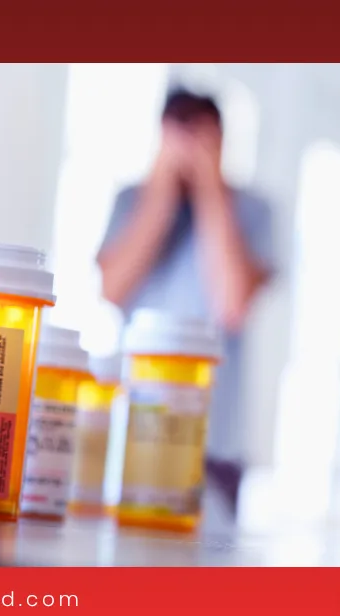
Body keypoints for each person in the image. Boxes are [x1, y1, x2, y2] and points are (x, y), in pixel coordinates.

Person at [96, 87, 275, 520]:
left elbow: (233, 303)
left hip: (217, 439)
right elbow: (112, 290)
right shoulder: (130, 200)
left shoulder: (254, 210)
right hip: (134, 424)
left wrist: (211, 190)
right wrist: (161, 192)